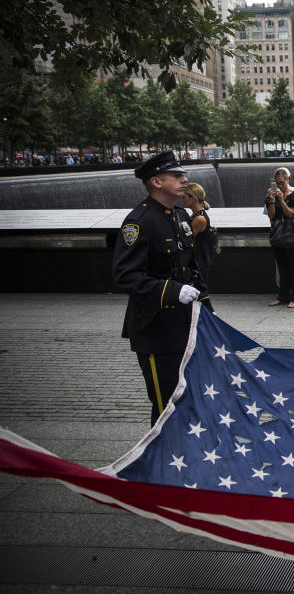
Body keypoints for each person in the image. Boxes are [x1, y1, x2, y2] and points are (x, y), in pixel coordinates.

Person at [112, 151, 204, 425]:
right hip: (156, 328)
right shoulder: (138, 222)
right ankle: (162, 461)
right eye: (176, 175)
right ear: (156, 181)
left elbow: (191, 267)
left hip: (185, 324)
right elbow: (125, 275)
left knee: (189, 396)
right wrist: (171, 290)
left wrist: (204, 305)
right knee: (166, 403)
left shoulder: (179, 215)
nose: (184, 179)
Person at [262, 167, 294, 299]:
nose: (279, 186)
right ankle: (284, 291)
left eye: (281, 182)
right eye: (276, 183)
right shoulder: (271, 196)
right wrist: (273, 200)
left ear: (288, 180)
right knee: (281, 265)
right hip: (279, 235)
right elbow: (271, 216)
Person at [182, 183, 216, 312]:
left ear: (193, 198)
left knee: (201, 292)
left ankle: (211, 316)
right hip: (200, 259)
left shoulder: (199, 219)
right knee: (199, 291)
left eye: (184, 197)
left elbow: (187, 240)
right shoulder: (196, 216)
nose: (182, 199)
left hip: (199, 260)